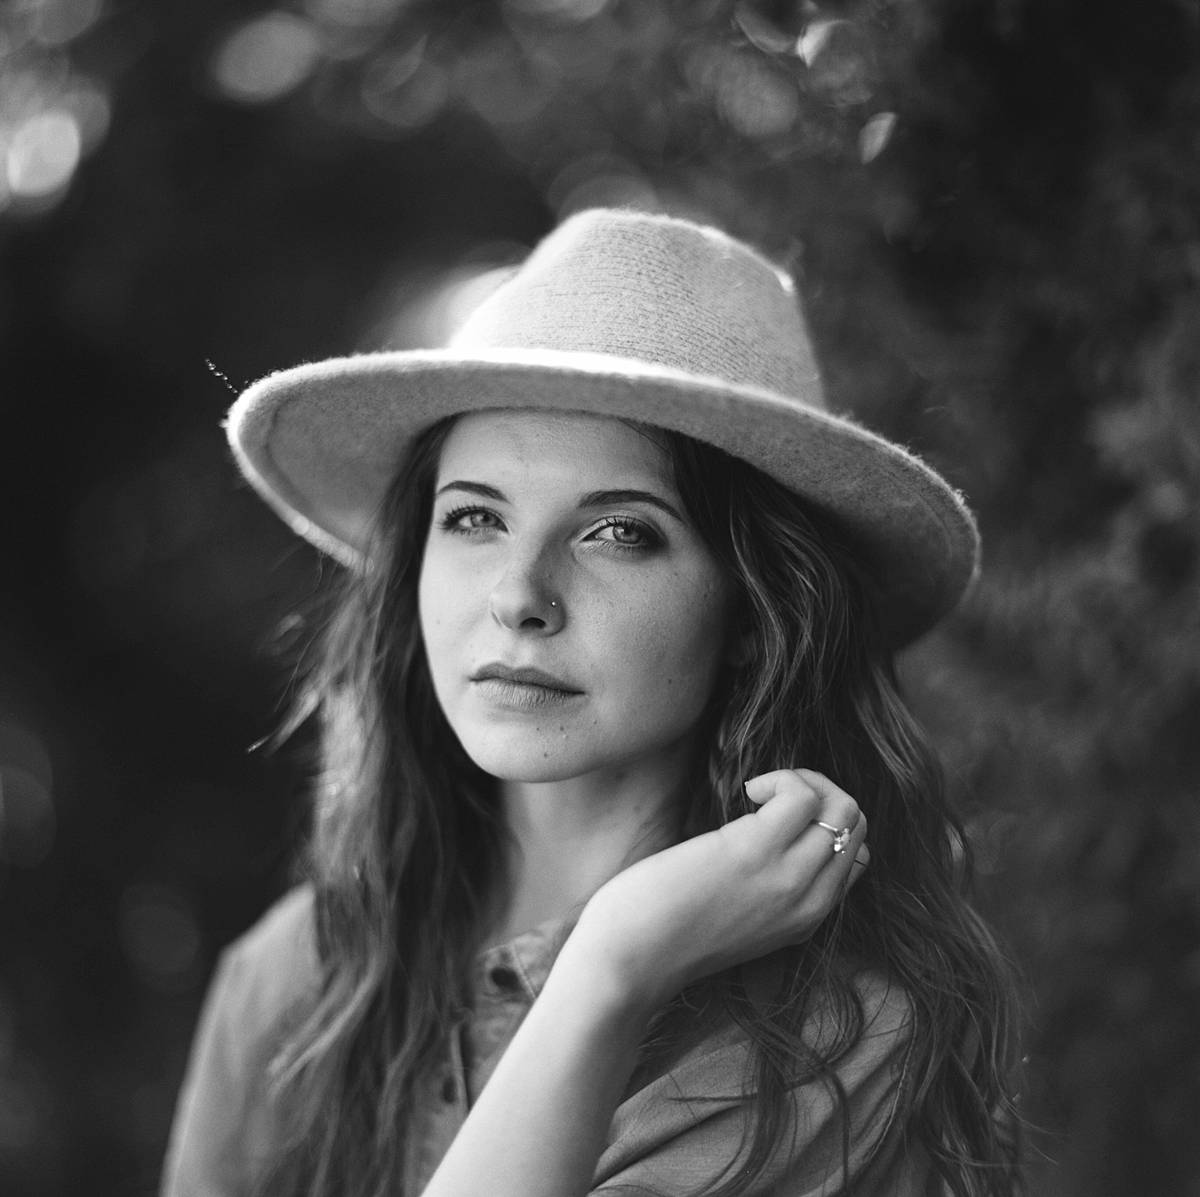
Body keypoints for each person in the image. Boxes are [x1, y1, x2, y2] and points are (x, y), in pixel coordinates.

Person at [161, 208, 1024, 1197]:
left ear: (754, 612)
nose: (518, 596)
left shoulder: (832, 1045)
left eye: (619, 532)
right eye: (475, 517)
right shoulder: (288, 981)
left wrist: (611, 971)